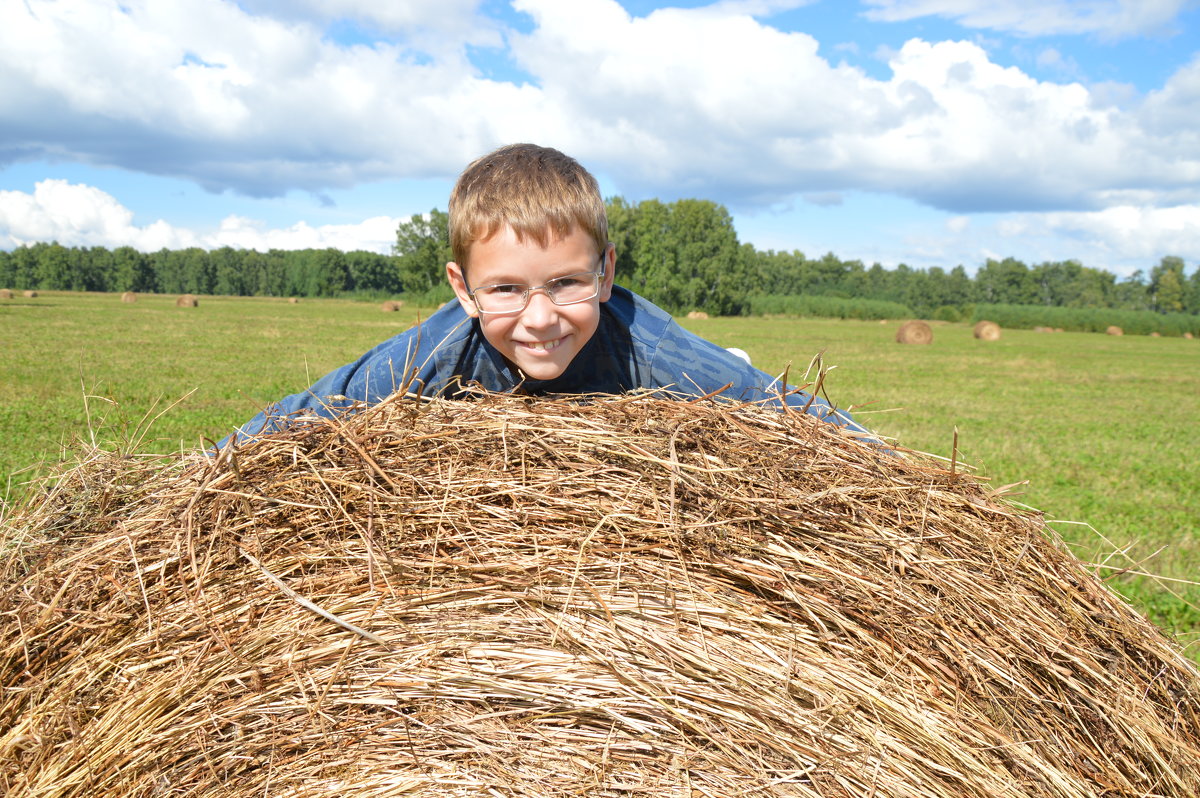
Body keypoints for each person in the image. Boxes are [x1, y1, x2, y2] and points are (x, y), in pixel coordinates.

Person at [220, 143, 866, 446]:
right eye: (505, 289)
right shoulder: (437, 351)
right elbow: (304, 414)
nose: (539, 318)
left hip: (651, 364)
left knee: (724, 384)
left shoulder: (651, 347)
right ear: (464, 290)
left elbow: (793, 411)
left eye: (566, 283)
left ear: (606, 274)